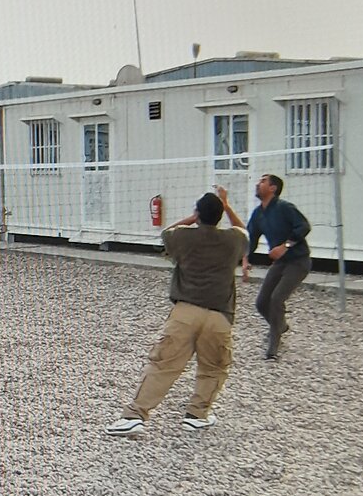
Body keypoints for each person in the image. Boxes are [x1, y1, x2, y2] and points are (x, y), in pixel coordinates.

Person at [105, 187, 248, 436]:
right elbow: (245, 232)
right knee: (214, 367)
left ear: (198, 214)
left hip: (185, 312)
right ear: (220, 215)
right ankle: (197, 414)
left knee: (163, 365)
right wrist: (225, 206)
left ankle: (135, 415)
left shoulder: (183, 238)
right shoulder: (233, 240)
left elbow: (166, 232)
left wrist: (194, 218)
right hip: (219, 315)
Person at [244, 174, 312, 360]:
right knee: (261, 303)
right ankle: (280, 326)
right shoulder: (258, 214)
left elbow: (304, 226)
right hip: (280, 263)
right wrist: (245, 259)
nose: (258, 184)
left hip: (298, 261)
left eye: (263, 181)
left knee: (276, 299)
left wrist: (286, 246)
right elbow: (251, 239)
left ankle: (273, 346)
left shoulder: (285, 208)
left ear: (273, 188)